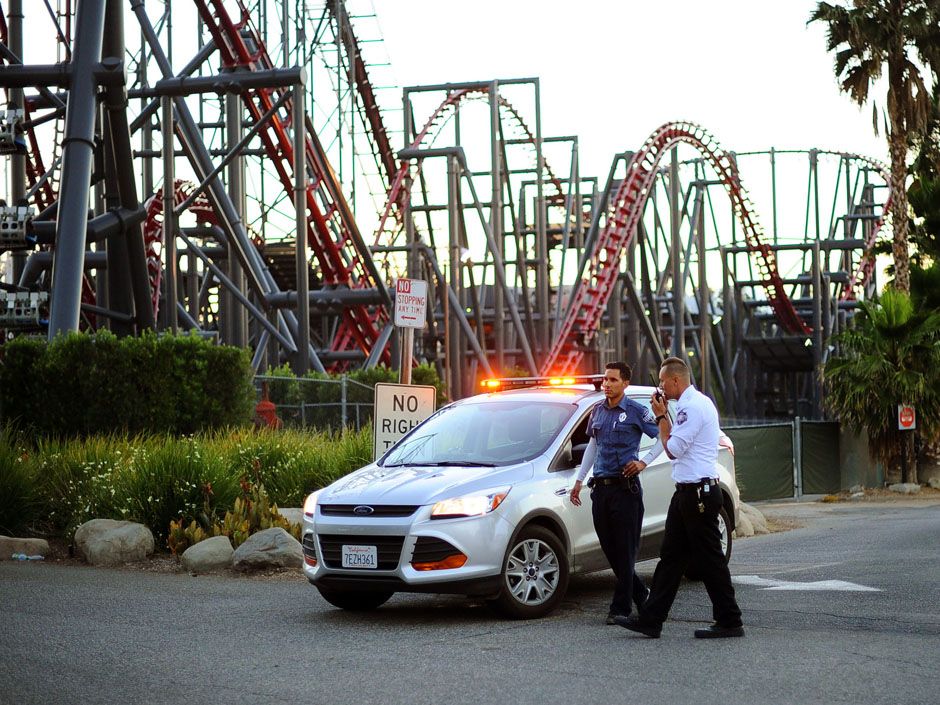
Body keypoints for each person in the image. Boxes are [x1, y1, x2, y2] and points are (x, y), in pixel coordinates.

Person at [615, 356, 744, 639]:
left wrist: (662, 416)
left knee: (710, 560)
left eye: (662, 381)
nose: (660, 386)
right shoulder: (693, 404)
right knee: (671, 558)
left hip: (697, 494)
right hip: (687, 492)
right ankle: (651, 618)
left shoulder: (691, 407)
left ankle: (730, 620)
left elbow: (673, 448)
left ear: (675, 381)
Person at [569, 361, 663, 624]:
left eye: (612, 380)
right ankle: (641, 593)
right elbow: (593, 445)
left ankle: (620, 607)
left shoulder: (635, 410)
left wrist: (644, 462)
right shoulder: (598, 411)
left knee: (626, 550)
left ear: (625, 383)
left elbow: (663, 438)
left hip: (626, 490)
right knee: (610, 548)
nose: (606, 384)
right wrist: (579, 480)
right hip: (601, 489)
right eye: (605, 380)